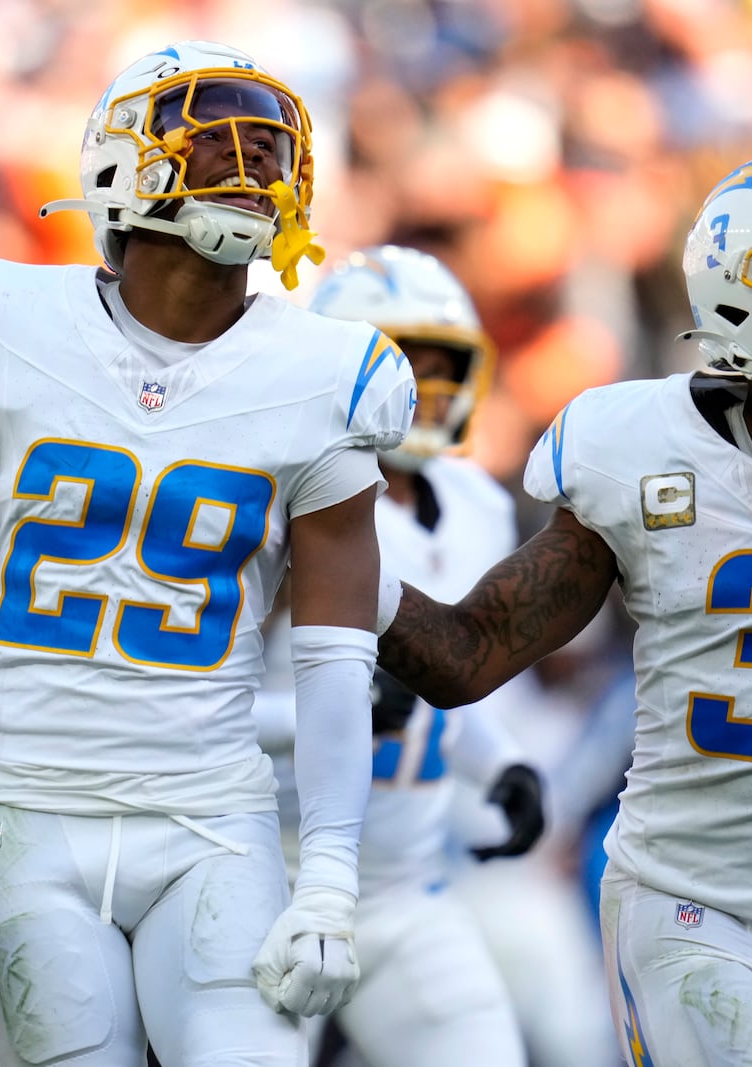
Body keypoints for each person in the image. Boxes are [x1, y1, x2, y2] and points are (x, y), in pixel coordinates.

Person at [0, 39, 415, 1066]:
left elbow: (332, 660)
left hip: (215, 817)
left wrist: (326, 873)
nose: (254, 169)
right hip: (27, 806)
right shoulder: (5, 324)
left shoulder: (328, 373)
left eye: (269, 150)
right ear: (121, 166)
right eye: (218, 141)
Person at [374, 149, 752, 1066]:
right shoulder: (635, 448)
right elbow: (467, 652)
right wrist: (334, 557)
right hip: (693, 910)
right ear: (750, 300)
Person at [248, 245, 538, 1067]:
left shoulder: (479, 504)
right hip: (269, 872)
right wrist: (328, 712)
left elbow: (441, 687)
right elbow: (197, 699)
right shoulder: (276, 492)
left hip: (407, 887)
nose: (430, 386)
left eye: (445, 364)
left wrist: (502, 762)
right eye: (409, 360)